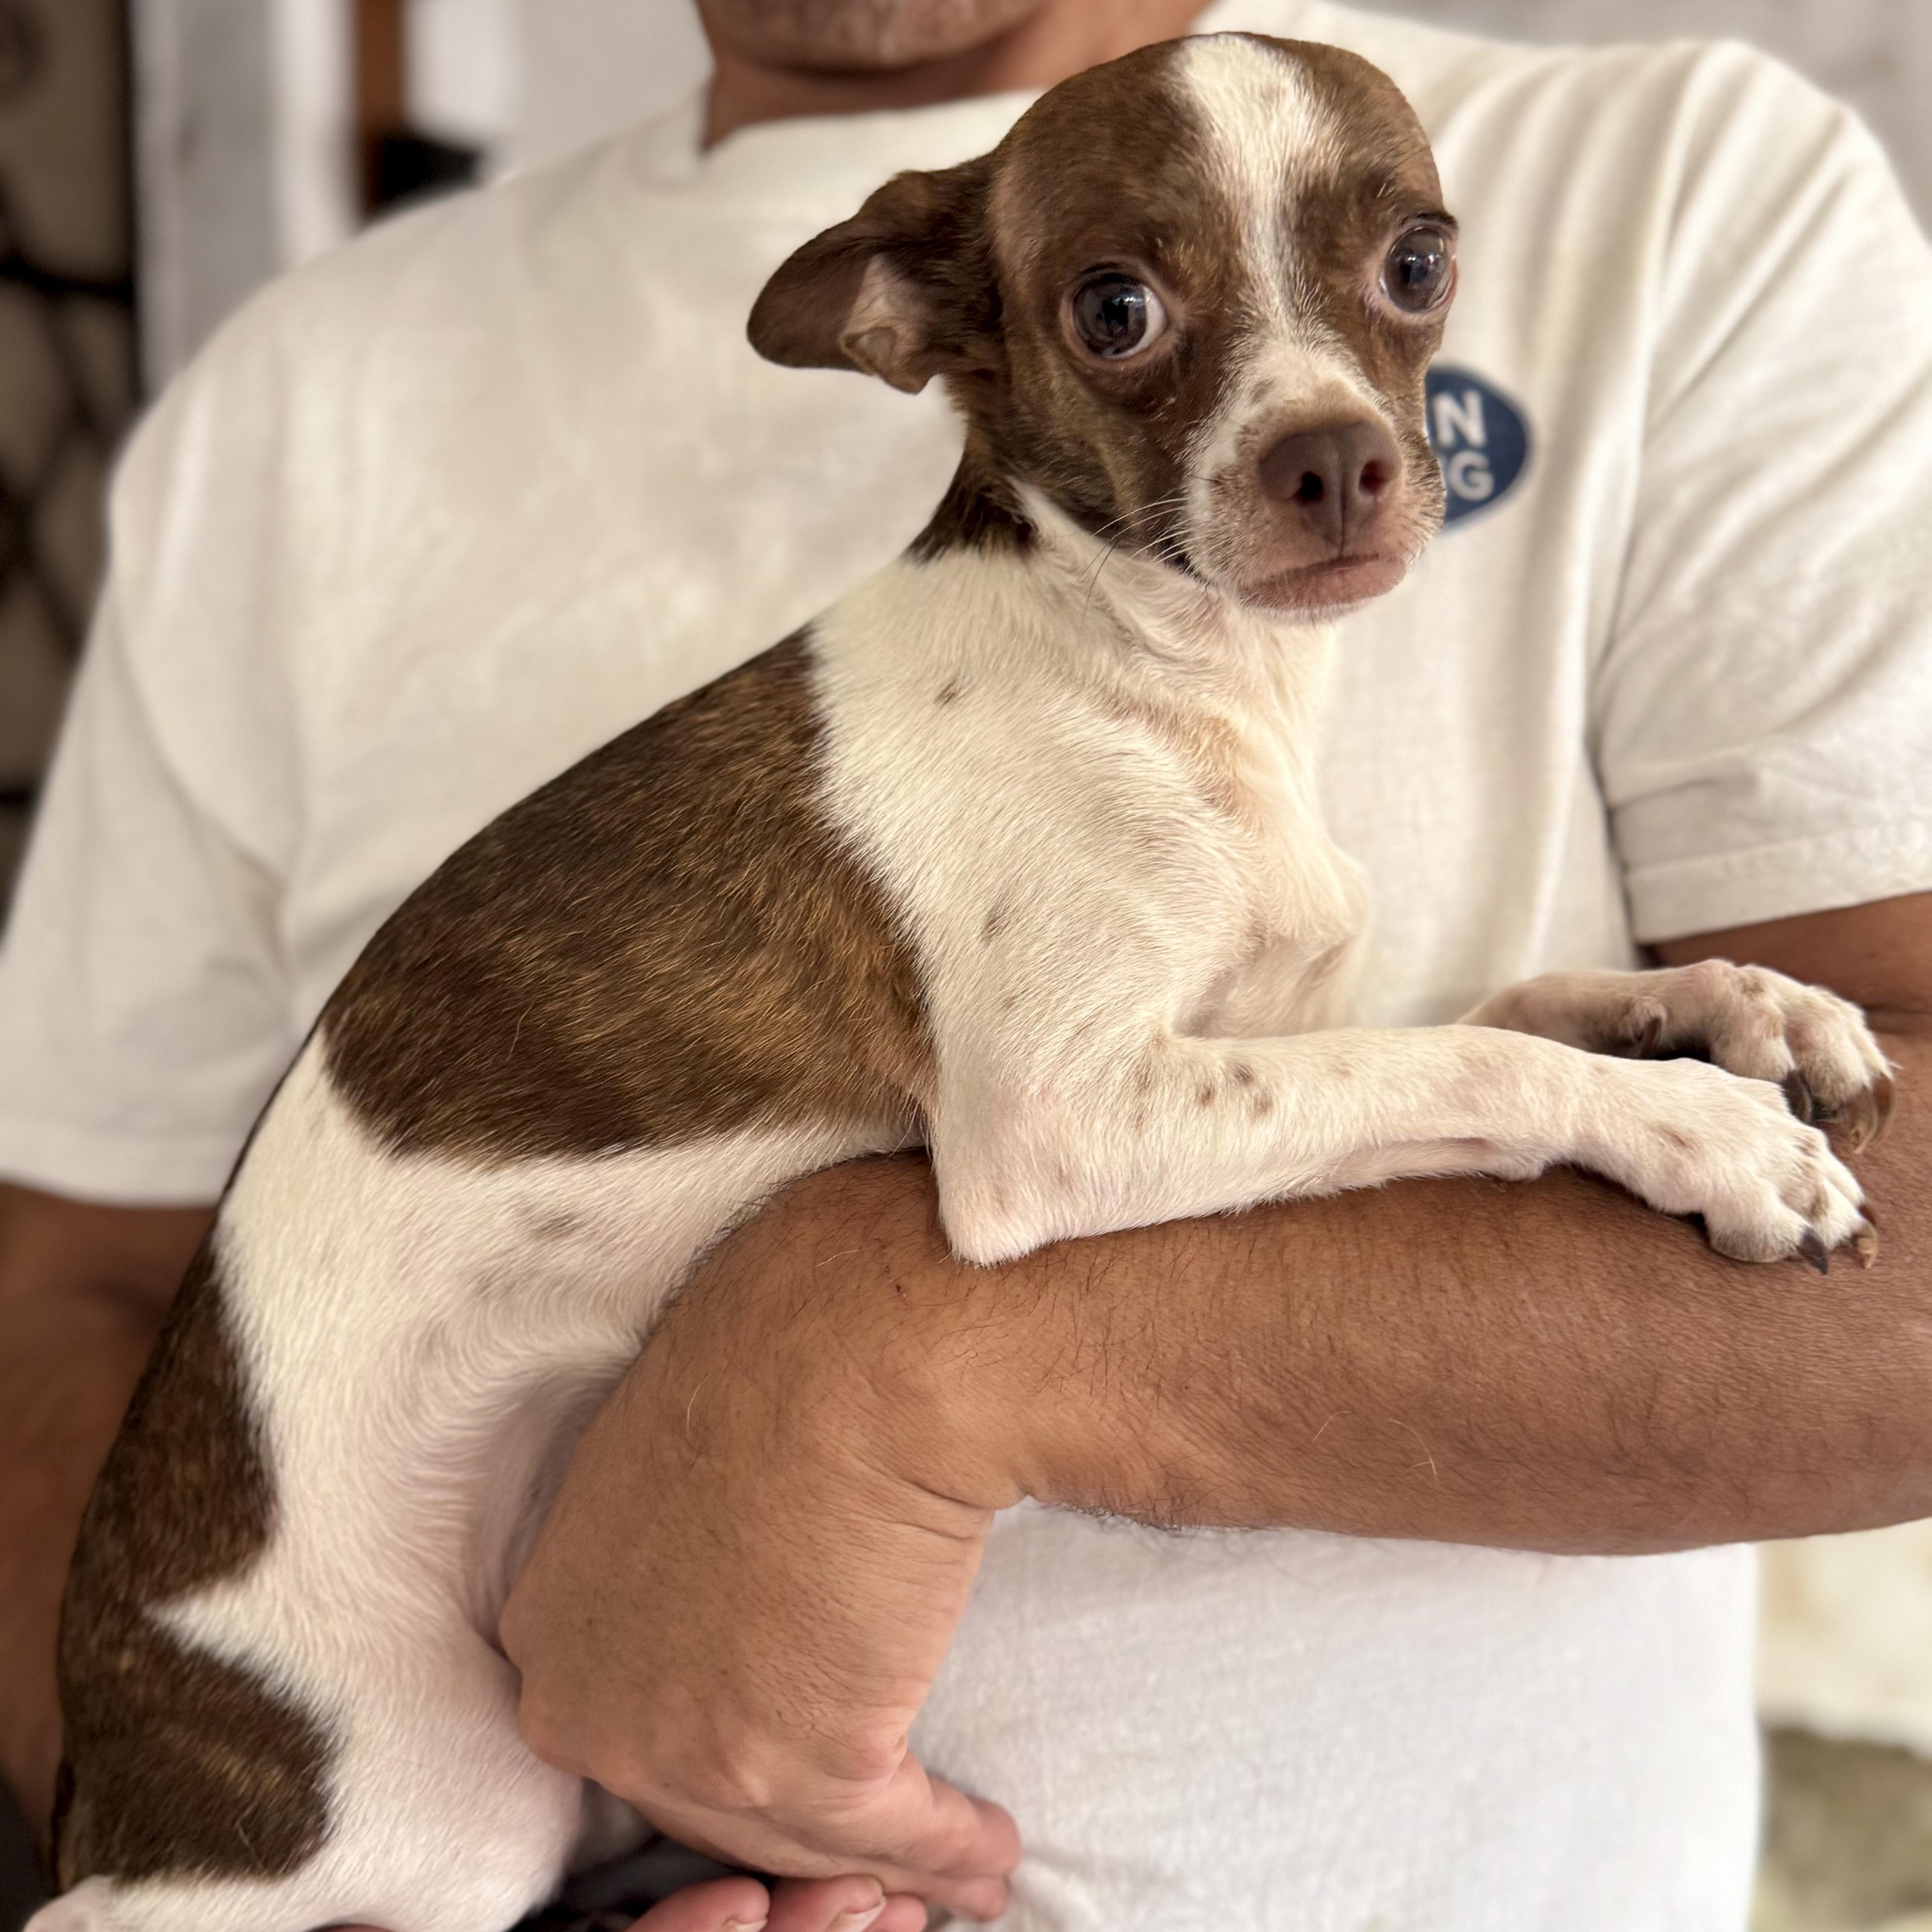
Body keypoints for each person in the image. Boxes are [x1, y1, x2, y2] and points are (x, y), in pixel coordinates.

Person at [3, 0, 1932, 1926]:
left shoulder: (1700, 190)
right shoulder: (324, 417)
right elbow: (1062, 1153)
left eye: (1401, 276)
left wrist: (1570, 1055)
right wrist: (1552, 1090)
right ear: (926, 328)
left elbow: (1184, 1131)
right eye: (1125, 317)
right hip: (359, 1729)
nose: (1328, 419)